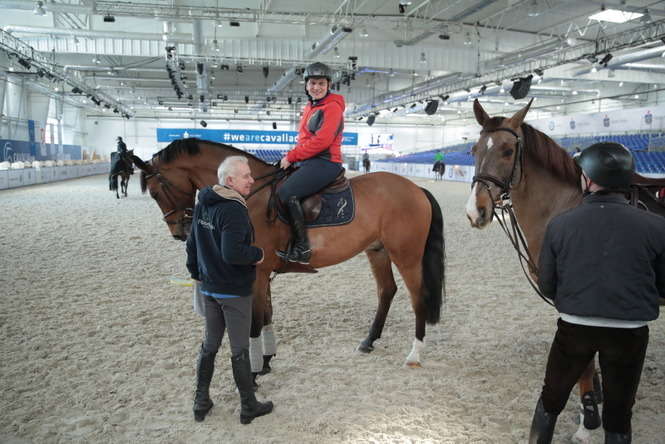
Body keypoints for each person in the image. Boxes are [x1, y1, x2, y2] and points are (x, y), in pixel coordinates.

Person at [530, 142, 665, 444]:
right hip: (629, 332)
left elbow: (547, 285)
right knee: (619, 415)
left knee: (551, 399)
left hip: (575, 328)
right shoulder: (657, 226)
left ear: (588, 179)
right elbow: (663, 287)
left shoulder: (559, 225)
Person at [185, 155, 274, 424]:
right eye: (246, 176)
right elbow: (233, 253)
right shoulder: (234, 209)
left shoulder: (203, 202)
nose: (252, 180)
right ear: (230, 180)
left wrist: (197, 276)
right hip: (233, 291)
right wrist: (258, 254)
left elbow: (192, 244)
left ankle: (201, 401)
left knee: (210, 344)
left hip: (209, 287)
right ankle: (248, 405)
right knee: (239, 349)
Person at [277, 61, 345, 264]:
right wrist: (293, 155)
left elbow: (322, 141)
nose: (316, 87)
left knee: (287, 193)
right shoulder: (310, 106)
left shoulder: (332, 107)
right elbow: (304, 139)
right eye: (313, 83)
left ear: (328, 85)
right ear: (306, 85)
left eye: (321, 83)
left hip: (326, 162)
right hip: (310, 160)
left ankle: (302, 248)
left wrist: (292, 157)